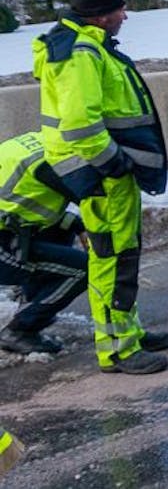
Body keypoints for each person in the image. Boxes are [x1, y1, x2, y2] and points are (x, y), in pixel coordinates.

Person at [32, 0, 168, 375]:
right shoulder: (80, 54)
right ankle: (118, 349)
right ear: (100, 16)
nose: (125, 15)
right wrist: (112, 162)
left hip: (100, 172)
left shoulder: (84, 46)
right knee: (114, 259)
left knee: (116, 255)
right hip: (100, 175)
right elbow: (80, 124)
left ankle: (128, 331)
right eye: (120, 9)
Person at [0, 131, 88, 356]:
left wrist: (77, 225)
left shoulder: (44, 142)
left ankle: (32, 304)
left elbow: (29, 205)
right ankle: (20, 329)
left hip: (9, 229)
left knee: (62, 228)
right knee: (82, 270)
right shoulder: (53, 165)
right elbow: (93, 200)